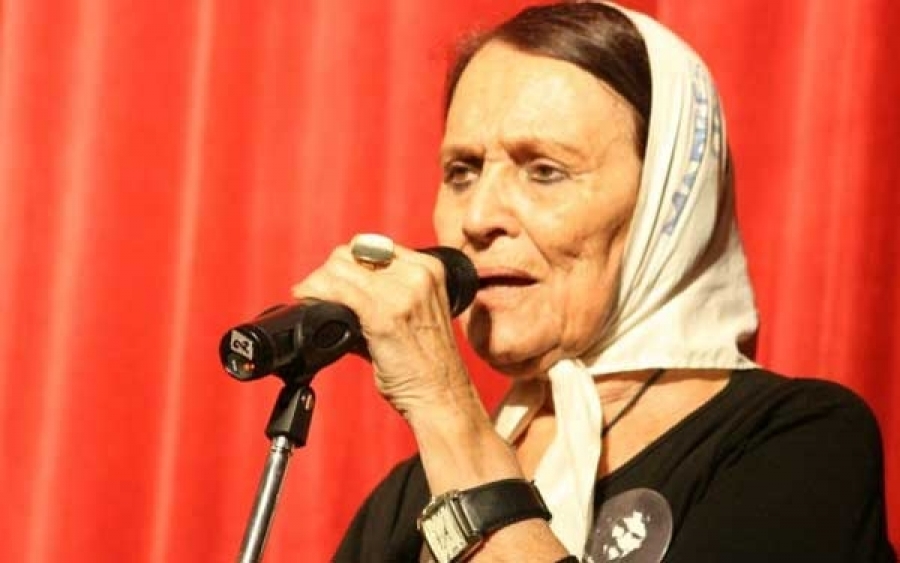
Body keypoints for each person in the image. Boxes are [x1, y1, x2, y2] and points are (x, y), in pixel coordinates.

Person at [291, 2, 896, 561]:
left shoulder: (800, 443)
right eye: (462, 171)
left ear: (664, 207)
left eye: (544, 171)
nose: (476, 218)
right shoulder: (411, 498)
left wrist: (444, 408)